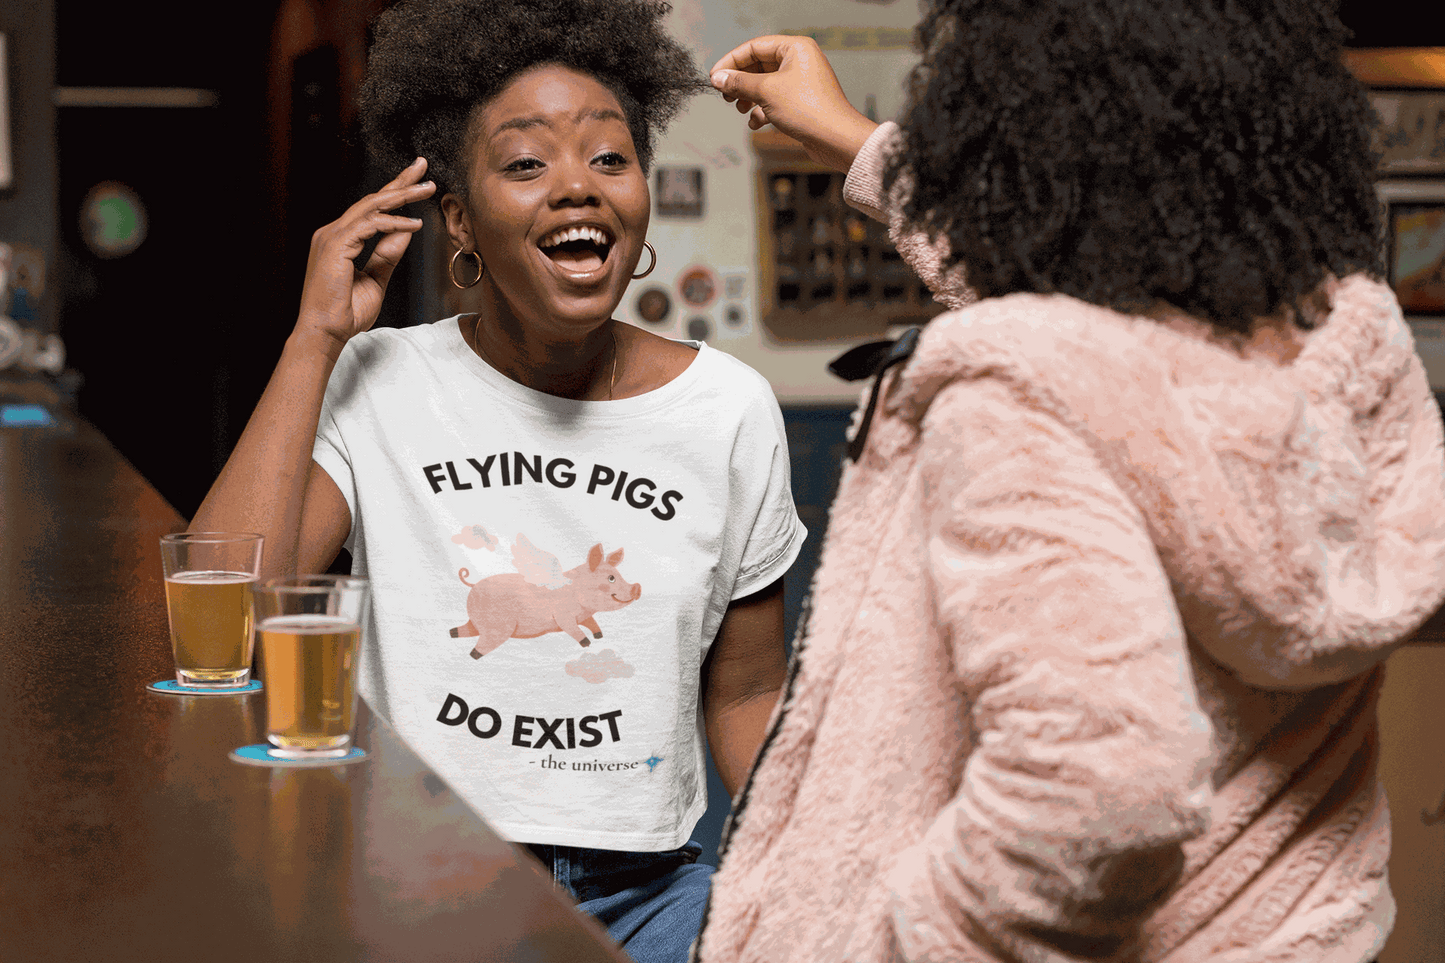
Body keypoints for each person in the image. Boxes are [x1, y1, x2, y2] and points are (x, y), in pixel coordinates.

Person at [696, 2, 1445, 960]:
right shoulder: (1344, 347)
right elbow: (1089, 305)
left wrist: (895, 940)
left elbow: (1097, 794)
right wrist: (850, 138)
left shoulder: (1021, 392)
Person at [189, 2, 806, 960]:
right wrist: (314, 339)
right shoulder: (382, 378)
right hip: (414, 878)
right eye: (525, 164)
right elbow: (231, 615)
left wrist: (802, 879)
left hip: (654, 897)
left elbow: (744, 694)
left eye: (610, 158)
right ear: (458, 219)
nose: (577, 187)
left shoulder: (727, 408)